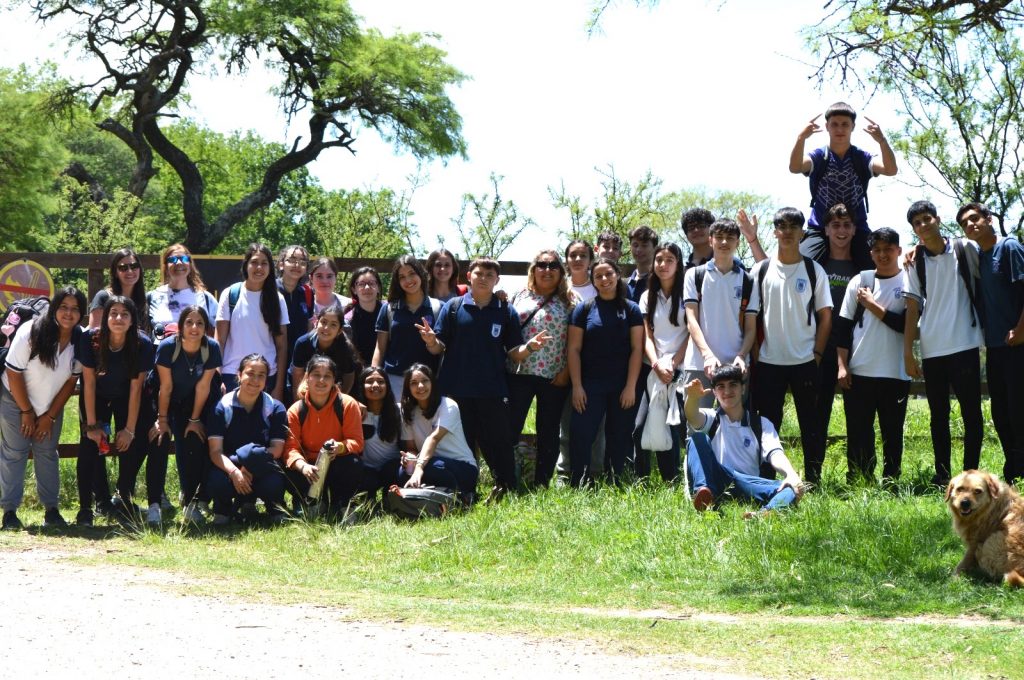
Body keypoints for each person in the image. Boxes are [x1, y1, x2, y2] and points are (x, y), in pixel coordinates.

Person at [420, 257, 546, 499]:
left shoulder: (504, 311)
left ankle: (507, 489)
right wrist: (430, 340)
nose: (484, 279)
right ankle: (465, 490)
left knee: (498, 442)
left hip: (492, 390)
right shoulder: (454, 307)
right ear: (469, 276)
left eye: (490, 275)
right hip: (456, 391)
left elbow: (514, 353)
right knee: (461, 445)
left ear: (497, 280)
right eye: (479, 274)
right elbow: (438, 348)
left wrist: (530, 347)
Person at [902, 200, 983, 486]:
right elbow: (912, 308)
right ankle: (942, 475)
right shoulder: (915, 262)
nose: (923, 225)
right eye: (917, 223)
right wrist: (908, 353)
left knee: (972, 412)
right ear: (914, 230)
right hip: (933, 348)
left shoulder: (965, 249)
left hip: (965, 343)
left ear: (937, 219)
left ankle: (971, 475)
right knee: (938, 415)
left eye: (927, 219)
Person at [750, 208, 832, 485]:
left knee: (812, 425)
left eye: (793, 226)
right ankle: (767, 478)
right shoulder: (760, 270)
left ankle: (813, 479)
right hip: (769, 361)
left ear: (802, 233)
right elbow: (749, 317)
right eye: (781, 226)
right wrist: (754, 354)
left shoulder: (813, 270)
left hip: (805, 361)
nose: (787, 231)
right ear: (774, 232)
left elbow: (825, 317)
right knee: (768, 425)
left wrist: (817, 355)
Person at [0, 287, 86, 530]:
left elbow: (71, 382)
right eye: (64, 307)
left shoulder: (80, 340)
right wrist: (26, 411)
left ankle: (51, 509)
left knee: (47, 452)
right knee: (14, 452)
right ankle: (9, 513)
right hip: (14, 398)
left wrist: (49, 416)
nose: (69, 313)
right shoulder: (32, 331)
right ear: (54, 308)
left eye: (75, 309)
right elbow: (13, 372)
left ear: (82, 313)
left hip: (49, 405)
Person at [834, 227, 909, 483]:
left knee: (892, 431)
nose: (883, 254)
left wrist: (872, 305)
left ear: (898, 250)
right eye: (877, 250)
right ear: (871, 253)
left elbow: (905, 326)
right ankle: (858, 478)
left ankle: (892, 480)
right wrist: (842, 366)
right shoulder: (860, 281)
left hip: (896, 371)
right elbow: (842, 327)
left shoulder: (909, 281)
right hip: (860, 371)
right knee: (858, 431)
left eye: (888, 249)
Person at [957, 202, 1024, 484]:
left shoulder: (1009, 247)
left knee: (1019, 410)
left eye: (975, 219)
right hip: (995, 347)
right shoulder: (979, 257)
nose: (970, 225)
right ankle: (1014, 470)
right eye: (964, 223)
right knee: (1001, 412)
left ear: (988, 219)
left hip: (1019, 345)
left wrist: (1021, 329)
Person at [77, 296, 156, 526]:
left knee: (129, 444)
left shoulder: (142, 344)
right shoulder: (89, 338)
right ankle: (85, 509)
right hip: (96, 395)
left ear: (132, 320)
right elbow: (89, 383)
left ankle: (124, 499)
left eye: (124, 314)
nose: (118, 318)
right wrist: (92, 426)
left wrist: (129, 429)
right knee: (89, 445)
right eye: (113, 313)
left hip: (125, 396)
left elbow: (136, 388)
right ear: (105, 317)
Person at [683, 365, 803, 516]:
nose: (727, 392)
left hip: (748, 483)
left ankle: (762, 516)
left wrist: (790, 473)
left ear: (743, 388)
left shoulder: (761, 424)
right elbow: (692, 416)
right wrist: (692, 398)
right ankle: (704, 493)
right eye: (721, 387)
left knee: (790, 488)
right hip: (718, 479)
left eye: (733, 385)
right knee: (697, 437)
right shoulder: (712, 418)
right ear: (714, 392)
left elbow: (776, 454)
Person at [567, 257, 644, 486]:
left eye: (608, 274)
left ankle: (616, 482)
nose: (604, 279)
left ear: (617, 275)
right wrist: (577, 386)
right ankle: (579, 483)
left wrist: (631, 386)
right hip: (589, 385)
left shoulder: (631, 309)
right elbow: (573, 349)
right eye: (598, 276)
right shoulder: (584, 309)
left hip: (622, 385)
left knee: (619, 435)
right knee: (581, 434)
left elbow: (637, 349)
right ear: (593, 281)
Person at [789, 101, 898, 263]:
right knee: (802, 266)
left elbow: (890, 170)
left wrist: (882, 141)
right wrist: (801, 138)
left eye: (845, 124)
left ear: (853, 126)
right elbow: (795, 167)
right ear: (827, 127)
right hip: (820, 227)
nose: (840, 129)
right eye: (834, 124)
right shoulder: (820, 156)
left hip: (857, 227)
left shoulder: (861, 157)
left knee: (873, 265)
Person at [507, 250, 573, 487]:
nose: (547, 270)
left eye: (553, 265)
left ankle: (542, 482)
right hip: (519, 372)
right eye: (542, 265)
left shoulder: (569, 300)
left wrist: (566, 372)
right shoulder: (518, 295)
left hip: (554, 375)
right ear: (533, 269)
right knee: (510, 427)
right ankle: (508, 479)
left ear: (561, 272)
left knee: (548, 431)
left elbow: (575, 341)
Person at [151, 305, 222, 524]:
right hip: (165, 399)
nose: (194, 327)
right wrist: (162, 420)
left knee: (193, 441)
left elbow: (204, 387)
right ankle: (154, 503)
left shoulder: (212, 347)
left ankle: (190, 502)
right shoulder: (167, 347)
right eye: (189, 322)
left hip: (194, 402)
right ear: (181, 326)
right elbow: (166, 387)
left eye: (200, 323)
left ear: (206, 328)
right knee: (159, 439)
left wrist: (194, 419)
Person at [683, 219, 758, 410]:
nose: (724, 242)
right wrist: (707, 355)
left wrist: (741, 356)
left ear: (738, 243)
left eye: (730, 238)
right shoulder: (694, 275)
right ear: (711, 241)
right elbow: (691, 320)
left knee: (736, 427)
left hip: (736, 365)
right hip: (699, 364)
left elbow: (751, 328)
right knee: (697, 428)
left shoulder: (749, 281)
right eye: (719, 237)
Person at [206, 354, 288, 525]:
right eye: (250, 373)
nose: (255, 380)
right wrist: (235, 472)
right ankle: (223, 510)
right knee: (217, 480)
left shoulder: (275, 407)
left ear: (267, 378)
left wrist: (251, 464)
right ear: (239, 374)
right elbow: (215, 452)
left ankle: (275, 508)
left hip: (261, 465)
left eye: (261, 375)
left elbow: (277, 449)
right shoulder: (222, 407)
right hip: (230, 465)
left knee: (274, 482)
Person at [283, 356, 364, 516]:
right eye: (316, 375)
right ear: (307, 378)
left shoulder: (347, 404)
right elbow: (290, 448)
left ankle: (342, 504)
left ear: (334, 380)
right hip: (309, 467)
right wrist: (303, 466)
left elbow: (357, 442)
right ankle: (311, 502)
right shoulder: (295, 410)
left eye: (327, 376)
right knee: (284, 468)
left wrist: (340, 447)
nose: (321, 380)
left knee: (353, 463)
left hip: (335, 462)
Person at [637, 242, 688, 481]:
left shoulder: (689, 293)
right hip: (653, 369)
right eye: (659, 260)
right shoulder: (647, 296)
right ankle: (642, 478)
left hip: (682, 369)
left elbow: (692, 332)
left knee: (679, 425)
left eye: (669, 260)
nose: (663, 265)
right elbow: (646, 334)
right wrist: (657, 363)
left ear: (678, 264)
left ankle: (677, 479)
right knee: (648, 422)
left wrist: (674, 363)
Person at [216, 243, 290, 401]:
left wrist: (278, 386)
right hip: (232, 375)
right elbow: (219, 341)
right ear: (246, 265)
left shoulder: (277, 299)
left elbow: (282, 346)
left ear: (270, 267)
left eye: (264, 263)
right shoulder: (230, 294)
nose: (259, 268)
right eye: (254, 262)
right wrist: (217, 377)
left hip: (266, 376)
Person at [398, 364, 479, 501]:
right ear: (408, 388)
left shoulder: (448, 405)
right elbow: (411, 447)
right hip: (427, 462)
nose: (420, 386)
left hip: (462, 468)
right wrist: (409, 459)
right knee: (402, 472)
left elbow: (433, 438)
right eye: (414, 383)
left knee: (435, 467)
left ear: (432, 383)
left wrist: (418, 468)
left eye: (425, 381)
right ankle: (427, 497)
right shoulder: (408, 412)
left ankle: (462, 496)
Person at [372, 255, 442, 397]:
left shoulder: (439, 308)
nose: (408, 280)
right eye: (402, 277)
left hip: (428, 382)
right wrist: (374, 376)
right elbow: (380, 348)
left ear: (421, 274)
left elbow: (442, 348)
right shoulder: (388, 309)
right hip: (394, 381)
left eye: (412, 274)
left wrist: (432, 342)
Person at [147, 243, 218, 339]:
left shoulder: (206, 298)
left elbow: (219, 334)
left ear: (190, 265)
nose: (179, 263)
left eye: (184, 259)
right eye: (172, 260)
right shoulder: (152, 297)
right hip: (160, 352)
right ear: (165, 266)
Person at [353, 366, 402, 502]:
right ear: (362, 386)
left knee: (393, 469)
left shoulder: (399, 411)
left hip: (392, 467)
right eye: (369, 381)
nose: (375, 385)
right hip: (366, 469)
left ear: (387, 386)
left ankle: (390, 499)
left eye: (381, 381)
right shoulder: (354, 411)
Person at [291, 304, 358, 395]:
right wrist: (299, 403)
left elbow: (349, 376)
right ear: (316, 323)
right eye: (323, 322)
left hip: (333, 390)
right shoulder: (303, 343)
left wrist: (340, 399)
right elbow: (297, 375)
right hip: (305, 387)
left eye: (333, 325)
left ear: (339, 330)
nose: (326, 328)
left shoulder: (346, 348)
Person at [276, 245, 314, 403]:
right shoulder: (269, 290)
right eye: (292, 260)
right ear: (281, 264)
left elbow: (309, 326)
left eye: (302, 262)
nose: (297, 265)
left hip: (298, 362)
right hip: (273, 359)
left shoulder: (307, 292)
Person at [88, 247, 149, 333]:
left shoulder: (143, 301)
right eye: (123, 268)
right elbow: (94, 334)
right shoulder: (103, 297)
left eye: (134, 266)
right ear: (115, 273)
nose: (130, 271)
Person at [344, 266, 383, 368]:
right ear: (354, 289)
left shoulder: (389, 313)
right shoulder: (348, 319)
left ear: (378, 287)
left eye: (371, 283)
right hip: (358, 372)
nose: (367, 287)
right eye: (361, 284)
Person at [626, 225, 658, 304]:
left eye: (644, 245)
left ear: (655, 248)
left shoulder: (660, 281)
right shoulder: (624, 284)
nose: (639, 250)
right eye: (635, 245)